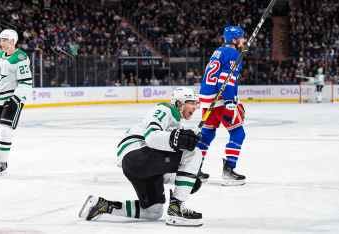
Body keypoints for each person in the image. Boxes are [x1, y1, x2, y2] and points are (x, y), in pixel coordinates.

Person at [79, 87, 204, 227]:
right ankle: (177, 208)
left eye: (196, 103)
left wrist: (184, 180)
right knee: (194, 152)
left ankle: (104, 205)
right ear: (179, 103)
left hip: (141, 168)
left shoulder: (177, 126)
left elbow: (161, 166)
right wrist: (177, 138)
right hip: (136, 153)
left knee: (154, 212)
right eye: (192, 103)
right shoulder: (166, 108)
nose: (195, 107)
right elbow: (151, 137)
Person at [196, 26, 247, 186]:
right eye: (241, 38)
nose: (244, 40)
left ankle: (194, 169)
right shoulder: (234, 53)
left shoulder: (218, 51)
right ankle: (229, 170)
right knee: (238, 133)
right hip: (219, 101)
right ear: (234, 40)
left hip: (206, 99)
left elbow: (208, 72)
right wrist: (230, 102)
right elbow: (225, 79)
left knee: (206, 135)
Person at [0, 29, 32, 177]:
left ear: (13, 41)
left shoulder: (20, 57)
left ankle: (2, 163)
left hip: (12, 98)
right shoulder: (0, 56)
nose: (2, 43)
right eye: (1, 40)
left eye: (5, 40)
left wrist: (16, 98)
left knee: (5, 127)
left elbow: (26, 82)